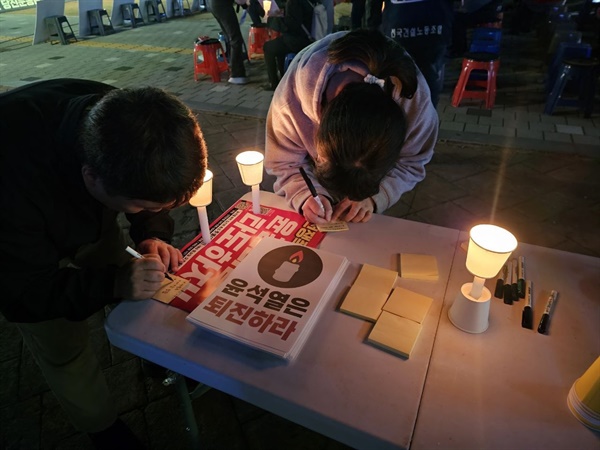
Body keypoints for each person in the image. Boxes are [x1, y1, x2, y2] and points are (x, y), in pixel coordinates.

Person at [0, 79, 208, 449]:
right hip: (16, 243)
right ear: (90, 176)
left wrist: (153, 234)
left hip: (83, 205)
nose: (149, 214)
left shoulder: (124, 116)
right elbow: (23, 294)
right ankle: (103, 429)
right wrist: (111, 284)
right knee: (62, 343)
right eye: (142, 208)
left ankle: (155, 356)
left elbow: (146, 186)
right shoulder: (12, 179)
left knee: (136, 277)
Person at [264, 29, 438, 224]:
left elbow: (412, 163)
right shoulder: (291, 100)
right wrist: (305, 194)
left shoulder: (414, 102)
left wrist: (375, 197)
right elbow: (283, 162)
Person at [379, 0, 454, 107]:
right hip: (435, 30)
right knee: (430, 84)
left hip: (398, 28)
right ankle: (425, 118)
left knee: (397, 85)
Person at [262, 0, 314, 90]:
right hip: (308, 38)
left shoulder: (293, 2)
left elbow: (292, 25)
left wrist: (275, 17)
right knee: (278, 46)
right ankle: (283, 77)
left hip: (297, 41)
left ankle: (273, 82)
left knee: (267, 47)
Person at [209, 0, 249, 84]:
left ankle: (233, 67)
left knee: (231, 37)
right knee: (236, 39)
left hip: (216, 5)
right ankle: (237, 74)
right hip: (222, 6)